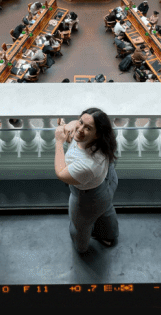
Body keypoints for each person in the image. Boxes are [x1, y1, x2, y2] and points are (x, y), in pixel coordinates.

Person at [54, 109, 119, 254]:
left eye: (88, 128)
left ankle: (81, 248)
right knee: (105, 209)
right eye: (81, 122)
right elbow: (77, 127)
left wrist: (59, 142)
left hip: (89, 199)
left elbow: (61, 173)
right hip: (108, 181)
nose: (80, 129)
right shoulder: (103, 141)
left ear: (97, 134)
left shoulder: (87, 165)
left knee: (80, 227)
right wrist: (69, 125)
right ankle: (109, 236)